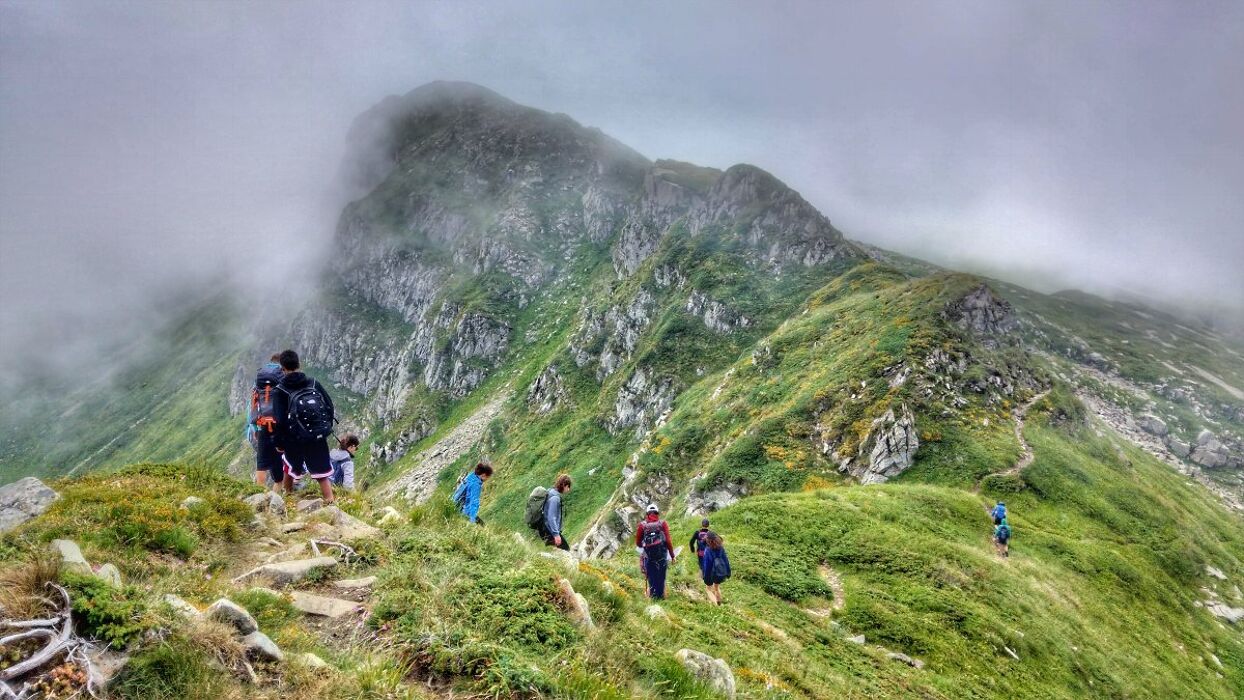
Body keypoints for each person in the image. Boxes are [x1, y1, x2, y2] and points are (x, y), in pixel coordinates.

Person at [272, 349, 337, 504]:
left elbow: (279, 421)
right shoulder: (313, 382)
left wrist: (279, 443)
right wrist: (323, 427)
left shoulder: (280, 390)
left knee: (290, 466)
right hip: (316, 435)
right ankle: (330, 502)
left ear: (283, 369)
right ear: (299, 364)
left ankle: (288, 499)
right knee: (321, 471)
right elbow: (329, 406)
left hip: (293, 438)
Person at [246, 354, 284, 489]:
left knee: (261, 463)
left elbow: (253, 406)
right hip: (278, 426)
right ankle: (277, 494)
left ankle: (258, 494)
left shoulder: (259, 381)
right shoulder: (281, 378)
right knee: (278, 462)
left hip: (262, 426)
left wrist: (254, 429)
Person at [635, 504, 676, 600]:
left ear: (647, 514)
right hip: (662, 556)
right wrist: (672, 556)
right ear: (657, 513)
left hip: (649, 557)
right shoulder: (663, 523)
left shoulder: (642, 525)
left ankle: (653, 598)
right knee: (661, 578)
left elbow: (638, 543)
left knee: (652, 578)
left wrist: (645, 546)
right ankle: (661, 597)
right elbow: (668, 541)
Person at [542, 474, 573, 550]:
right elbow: (551, 517)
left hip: (546, 529)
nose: (568, 489)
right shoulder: (555, 498)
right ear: (564, 485)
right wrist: (556, 535)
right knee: (566, 550)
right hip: (550, 531)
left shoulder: (550, 491)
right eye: (568, 486)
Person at [701, 531, 731, 605]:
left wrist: (706, 577)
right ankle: (719, 602)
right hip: (719, 572)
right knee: (716, 588)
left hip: (711, 574)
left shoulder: (708, 550)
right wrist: (728, 572)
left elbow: (707, 566)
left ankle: (716, 607)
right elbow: (726, 560)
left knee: (708, 590)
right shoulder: (721, 548)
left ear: (709, 541)